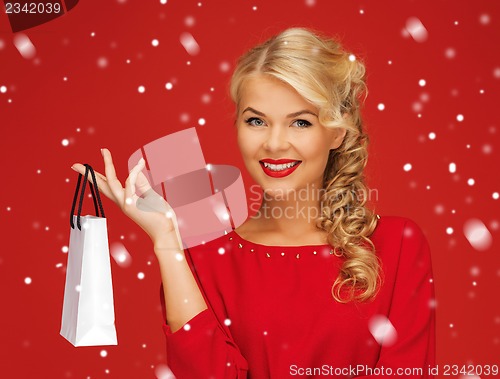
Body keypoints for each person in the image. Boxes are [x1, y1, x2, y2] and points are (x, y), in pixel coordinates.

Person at [71, 27, 435, 378]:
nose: (275, 144)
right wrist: (167, 240)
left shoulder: (397, 245)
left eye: (301, 123)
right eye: (257, 120)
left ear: (337, 132)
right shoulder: (203, 259)